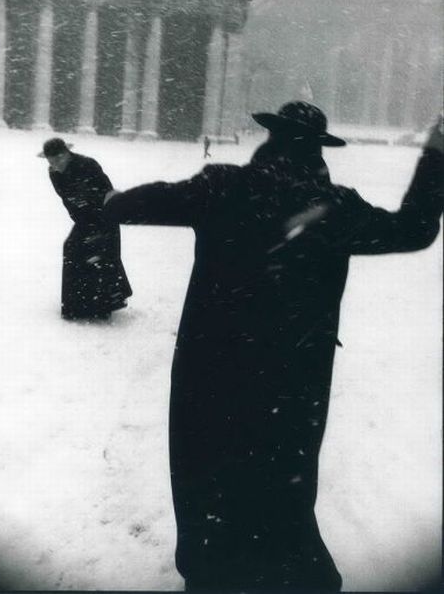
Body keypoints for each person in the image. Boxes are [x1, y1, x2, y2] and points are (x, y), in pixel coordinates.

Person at [103, 102, 443, 591]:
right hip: (295, 373)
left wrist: (112, 197)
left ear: (270, 139)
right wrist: (436, 155)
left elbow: (127, 207)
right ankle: (287, 567)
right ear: (317, 152)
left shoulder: (222, 186)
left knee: (206, 465)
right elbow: (415, 229)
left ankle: (211, 565)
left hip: (213, 362)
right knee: (284, 472)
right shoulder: (336, 207)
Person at [40, 138, 132, 321]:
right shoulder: (53, 173)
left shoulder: (87, 165)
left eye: (58, 160)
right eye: (51, 161)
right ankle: (76, 307)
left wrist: (98, 219)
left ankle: (101, 306)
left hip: (104, 216)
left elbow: (107, 192)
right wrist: (80, 217)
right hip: (83, 219)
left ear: (67, 154)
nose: (55, 165)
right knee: (72, 249)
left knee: (99, 255)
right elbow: (66, 199)